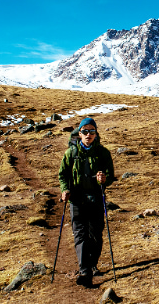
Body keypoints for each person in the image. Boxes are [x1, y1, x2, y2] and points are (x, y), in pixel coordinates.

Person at [58, 117, 115, 287]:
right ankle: (85, 271)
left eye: (91, 131)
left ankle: (92, 264)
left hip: (96, 198)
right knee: (80, 234)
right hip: (76, 199)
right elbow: (63, 175)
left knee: (96, 235)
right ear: (79, 133)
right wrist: (64, 190)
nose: (88, 134)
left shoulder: (103, 153)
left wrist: (104, 179)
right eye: (85, 131)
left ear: (96, 134)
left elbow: (110, 176)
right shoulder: (71, 154)